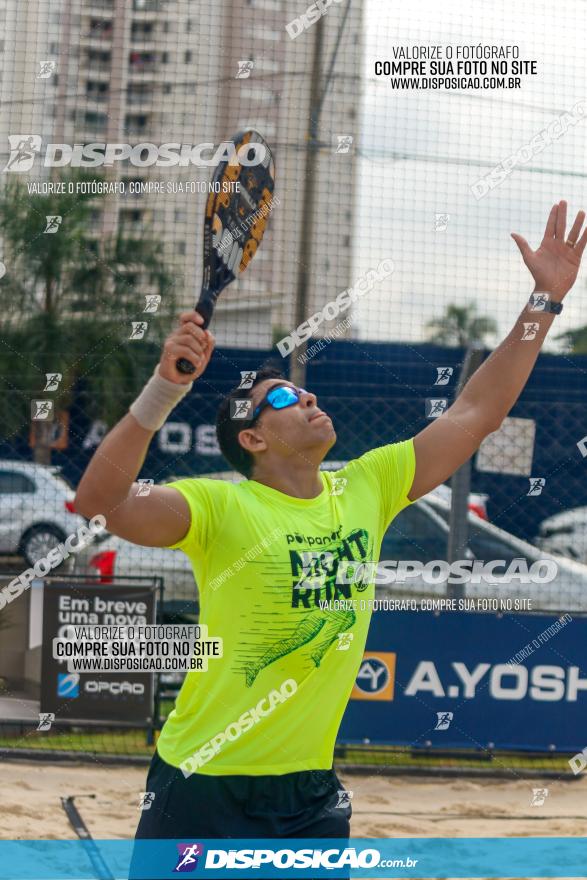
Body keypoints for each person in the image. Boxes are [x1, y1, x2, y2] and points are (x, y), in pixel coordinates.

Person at [75, 200, 586, 842]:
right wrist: (163, 390)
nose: (307, 394)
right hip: (202, 781)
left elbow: (476, 411)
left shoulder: (366, 485)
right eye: (282, 397)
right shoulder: (219, 504)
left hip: (310, 793)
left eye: (301, 387)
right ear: (253, 440)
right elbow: (102, 504)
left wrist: (544, 300)